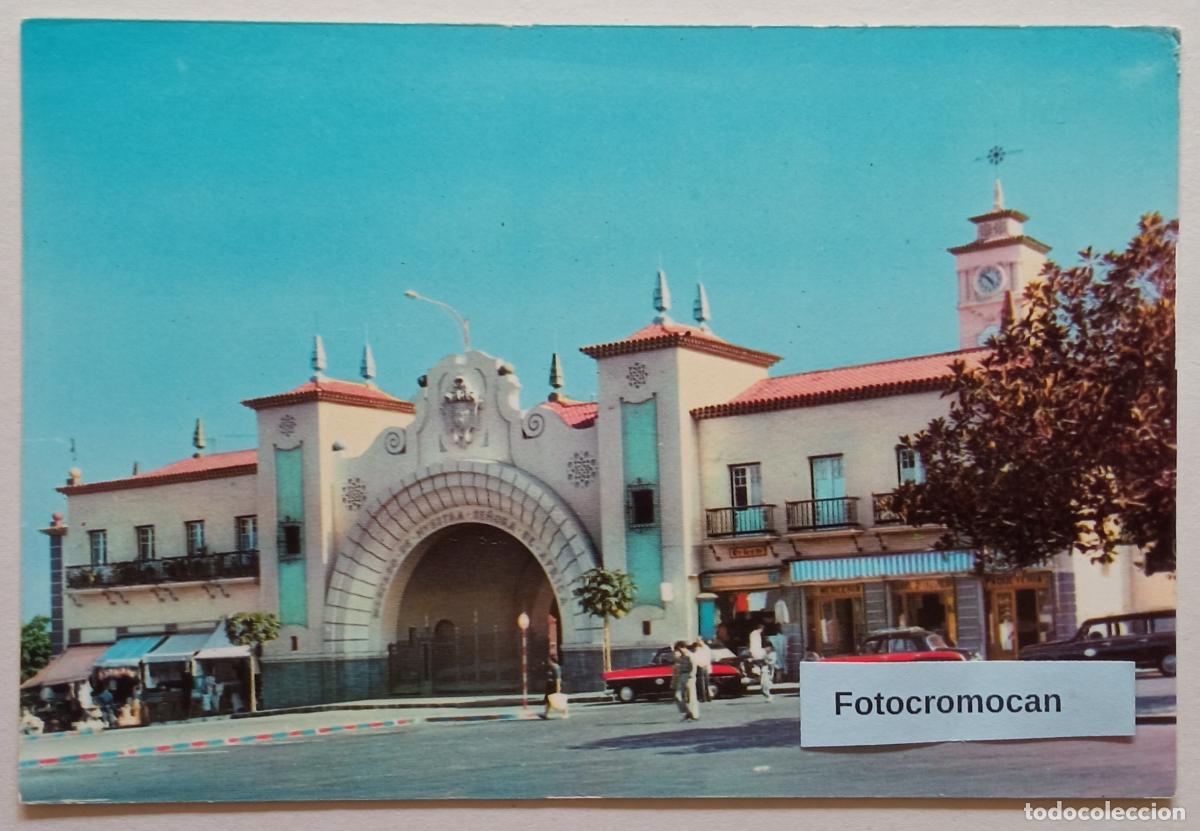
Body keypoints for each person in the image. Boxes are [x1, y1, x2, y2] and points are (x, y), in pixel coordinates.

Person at [671, 641, 699, 722]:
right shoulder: (682, 656)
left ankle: (694, 715)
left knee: (691, 697)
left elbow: (693, 668)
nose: (679, 650)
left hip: (689, 678)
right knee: (678, 696)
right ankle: (687, 712)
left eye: (680, 649)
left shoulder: (690, 656)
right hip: (681, 679)